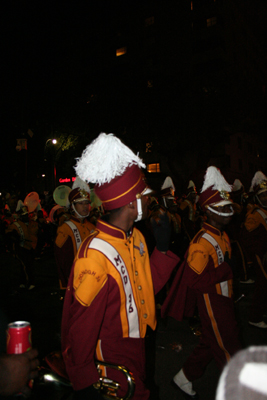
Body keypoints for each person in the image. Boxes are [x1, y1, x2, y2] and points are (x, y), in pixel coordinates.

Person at [61, 132, 179, 400]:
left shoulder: (135, 236)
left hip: (136, 347)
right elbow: (80, 327)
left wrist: (161, 250)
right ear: (130, 202)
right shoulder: (95, 255)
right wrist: (84, 379)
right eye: (145, 196)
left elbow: (143, 290)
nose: (149, 201)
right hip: (110, 359)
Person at [161, 166, 241, 399]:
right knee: (228, 347)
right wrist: (227, 269)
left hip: (223, 299)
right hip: (212, 303)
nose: (228, 212)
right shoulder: (200, 243)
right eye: (222, 209)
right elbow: (195, 282)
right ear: (208, 211)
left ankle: (184, 377)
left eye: (228, 208)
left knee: (211, 342)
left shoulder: (221, 234)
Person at [54, 178, 95, 289]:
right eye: (81, 203)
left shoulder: (92, 227)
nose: (85, 206)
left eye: (87, 203)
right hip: (76, 283)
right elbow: (63, 262)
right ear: (73, 206)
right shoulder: (65, 229)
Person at [239, 171, 267, 329]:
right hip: (260, 256)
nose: (265, 198)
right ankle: (254, 317)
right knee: (263, 284)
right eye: (262, 196)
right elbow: (246, 239)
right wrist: (254, 256)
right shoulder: (255, 215)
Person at [5, 205, 38, 290]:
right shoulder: (15, 225)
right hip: (21, 248)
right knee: (27, 265)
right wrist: (13, 236)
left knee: (26, 265)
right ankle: (30, 282)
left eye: (26, 215)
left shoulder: (33, 223)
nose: (26, 217)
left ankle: (22, 281)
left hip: (31, 248)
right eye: (24, 215)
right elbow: (8, 234)